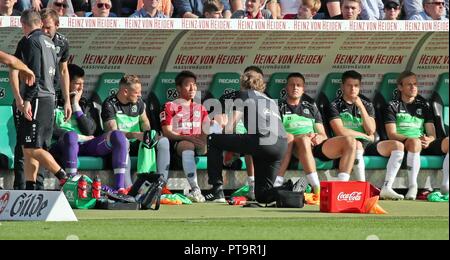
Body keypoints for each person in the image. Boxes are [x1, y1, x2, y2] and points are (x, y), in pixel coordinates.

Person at [10, 8, 71, 190]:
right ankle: (30, 188)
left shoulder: (32, 41)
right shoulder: (50, 42)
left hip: (37, 98)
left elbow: (34, 74)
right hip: (48, 97)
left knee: (31, 148)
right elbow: (55, 75)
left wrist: (26, 99)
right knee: (30, 147)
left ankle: (63, 175)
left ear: (23, 24)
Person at [206, 71, 288, 204]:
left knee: (213, 139)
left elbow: (230, 126)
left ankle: (216, 189)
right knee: (262, 195)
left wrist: (227, 148)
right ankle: (290, 188)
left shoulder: (244, 94)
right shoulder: (271, 101)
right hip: (281, 145)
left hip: (262, 141)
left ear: (242, 83)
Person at [274, 73, 357, 205]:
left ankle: (341, 189)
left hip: (315, 145)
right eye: (292, 85)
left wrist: (319, 136)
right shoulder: (278, 107)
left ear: (303, 88)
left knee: (351, 141)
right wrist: (302, 136)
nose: (295, 87)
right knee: (303, 140)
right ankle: (317, 189)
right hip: (294, 146)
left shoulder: (311, 107)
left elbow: (322, 133)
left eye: (299, 85)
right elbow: (278, 134)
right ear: (286, 87)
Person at [49, 64, 130, 192]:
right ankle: (72, 185)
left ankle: (119, 188)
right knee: (71, 136)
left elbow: (91, 130)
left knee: (118, 135)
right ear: (66, 81)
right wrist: (78, 137)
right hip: (62, 146)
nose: (81, 87)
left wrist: (75, 105)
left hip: (86, 144)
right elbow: (50, 130)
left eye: (83, 83)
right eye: (77, 83)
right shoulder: (52, 100)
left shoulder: (85, 104)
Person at [329, 70, 406, 200]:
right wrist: (364, 136)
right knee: (357, 144)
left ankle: (387, 187)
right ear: (342, 86)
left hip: (368, 144)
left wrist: (360, 106)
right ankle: (363, 189)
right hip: (347, 146)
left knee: (398, 146)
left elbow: (371, 129)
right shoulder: (334, 105)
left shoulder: (366, 104)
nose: (353, 88)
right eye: (349, 85)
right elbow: (340, 131)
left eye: (356, 85)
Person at [385, 71, 449, 198]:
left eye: (415, 84)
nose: (413, 87)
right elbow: (391, 134)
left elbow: (432, 133)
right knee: (415, 142)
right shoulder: (392, 105)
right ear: (400, 87)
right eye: (409, 84)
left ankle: (446, 184)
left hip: (423, 143)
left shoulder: (424, 105)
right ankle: (413, 186)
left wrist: (429, 139)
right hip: (407, 142)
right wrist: (413, 139)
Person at [102, 75, 171, 192]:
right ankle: (128, 188)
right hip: (120, 144)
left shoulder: (138, 102)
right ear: (125, 91)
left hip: (138, 140)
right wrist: (134, 134)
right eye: (136, 92)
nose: (140, 95)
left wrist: (148, 134)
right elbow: (114, 134)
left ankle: (161, 185)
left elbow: (144, 122)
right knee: (123, 143)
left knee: (163, 142)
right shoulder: (109, 104)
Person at [160, 71, 210, 203]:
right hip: (181, 144)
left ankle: (218, 190)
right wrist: (187, 138)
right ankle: (195, 189)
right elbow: (167, 132)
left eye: (194, 85)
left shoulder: (201, 108)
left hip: (201, 144)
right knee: (188, 145)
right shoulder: (170, 106)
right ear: (179, 88)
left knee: (217, 123)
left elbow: (209, 128)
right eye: (188, 85)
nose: (193, 89)